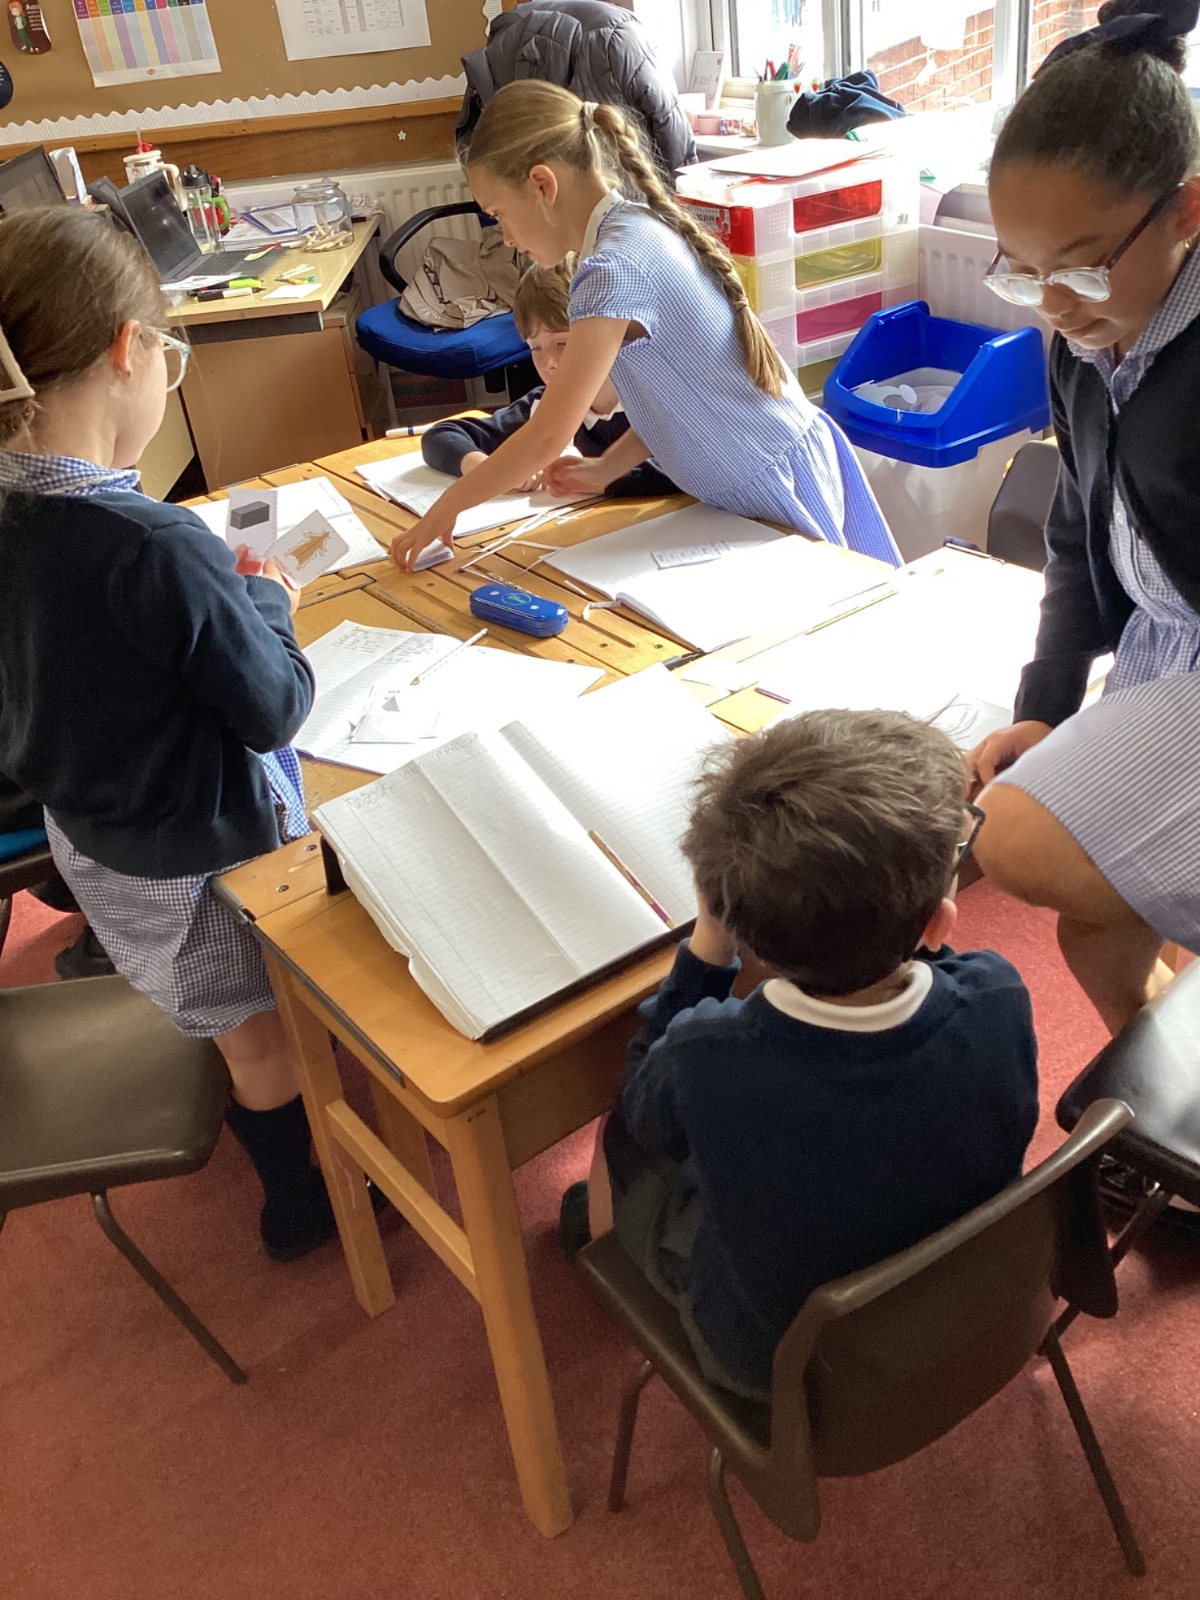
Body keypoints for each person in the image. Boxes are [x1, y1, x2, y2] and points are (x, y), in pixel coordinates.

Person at [0, 205, 339, 1261]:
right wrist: (269, 603)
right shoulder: (152, 545)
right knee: (261, 1039)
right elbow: (274, 705)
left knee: (221, 1014)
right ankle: (303, 1205)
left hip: (92, 840)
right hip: (200, 856)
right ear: (128, 350)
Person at [570, 710, 1038, 1399]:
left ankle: (589, 1234)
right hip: (971, 1304)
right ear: (940, 921)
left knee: (620, 1140)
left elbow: (640, 1106)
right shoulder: (999, 992)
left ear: (738, 918)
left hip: (778, 1368)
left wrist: (709, 949)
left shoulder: (706, 1056)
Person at [390, 80, 899, 571]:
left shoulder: (611, 270)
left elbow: (547, 436)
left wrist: (445, 508)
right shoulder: (634, 229)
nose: (504, 236)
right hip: (762, 474)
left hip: (771, 483)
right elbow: (674, 396)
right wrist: (606, 468)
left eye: (499, 213)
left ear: (543, 185)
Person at [968, 0, 1200, 1034]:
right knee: (1094, 933)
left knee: (1012, 836)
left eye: (1081, 264)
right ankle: (1168, 1093)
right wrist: (1048, 703)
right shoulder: (1084, 341)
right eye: (1024, 272)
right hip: (1159, 647)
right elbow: (1078, 526)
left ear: (1187, 211)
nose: (1055, 306)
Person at [422, 258, 677, 500]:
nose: (549, 362)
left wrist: (603, 479)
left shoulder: (653, 401)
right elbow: (442, 435)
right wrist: (488, 470)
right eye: (535, 348)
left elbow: (683, 471)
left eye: (562, 343)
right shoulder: (546, 405)